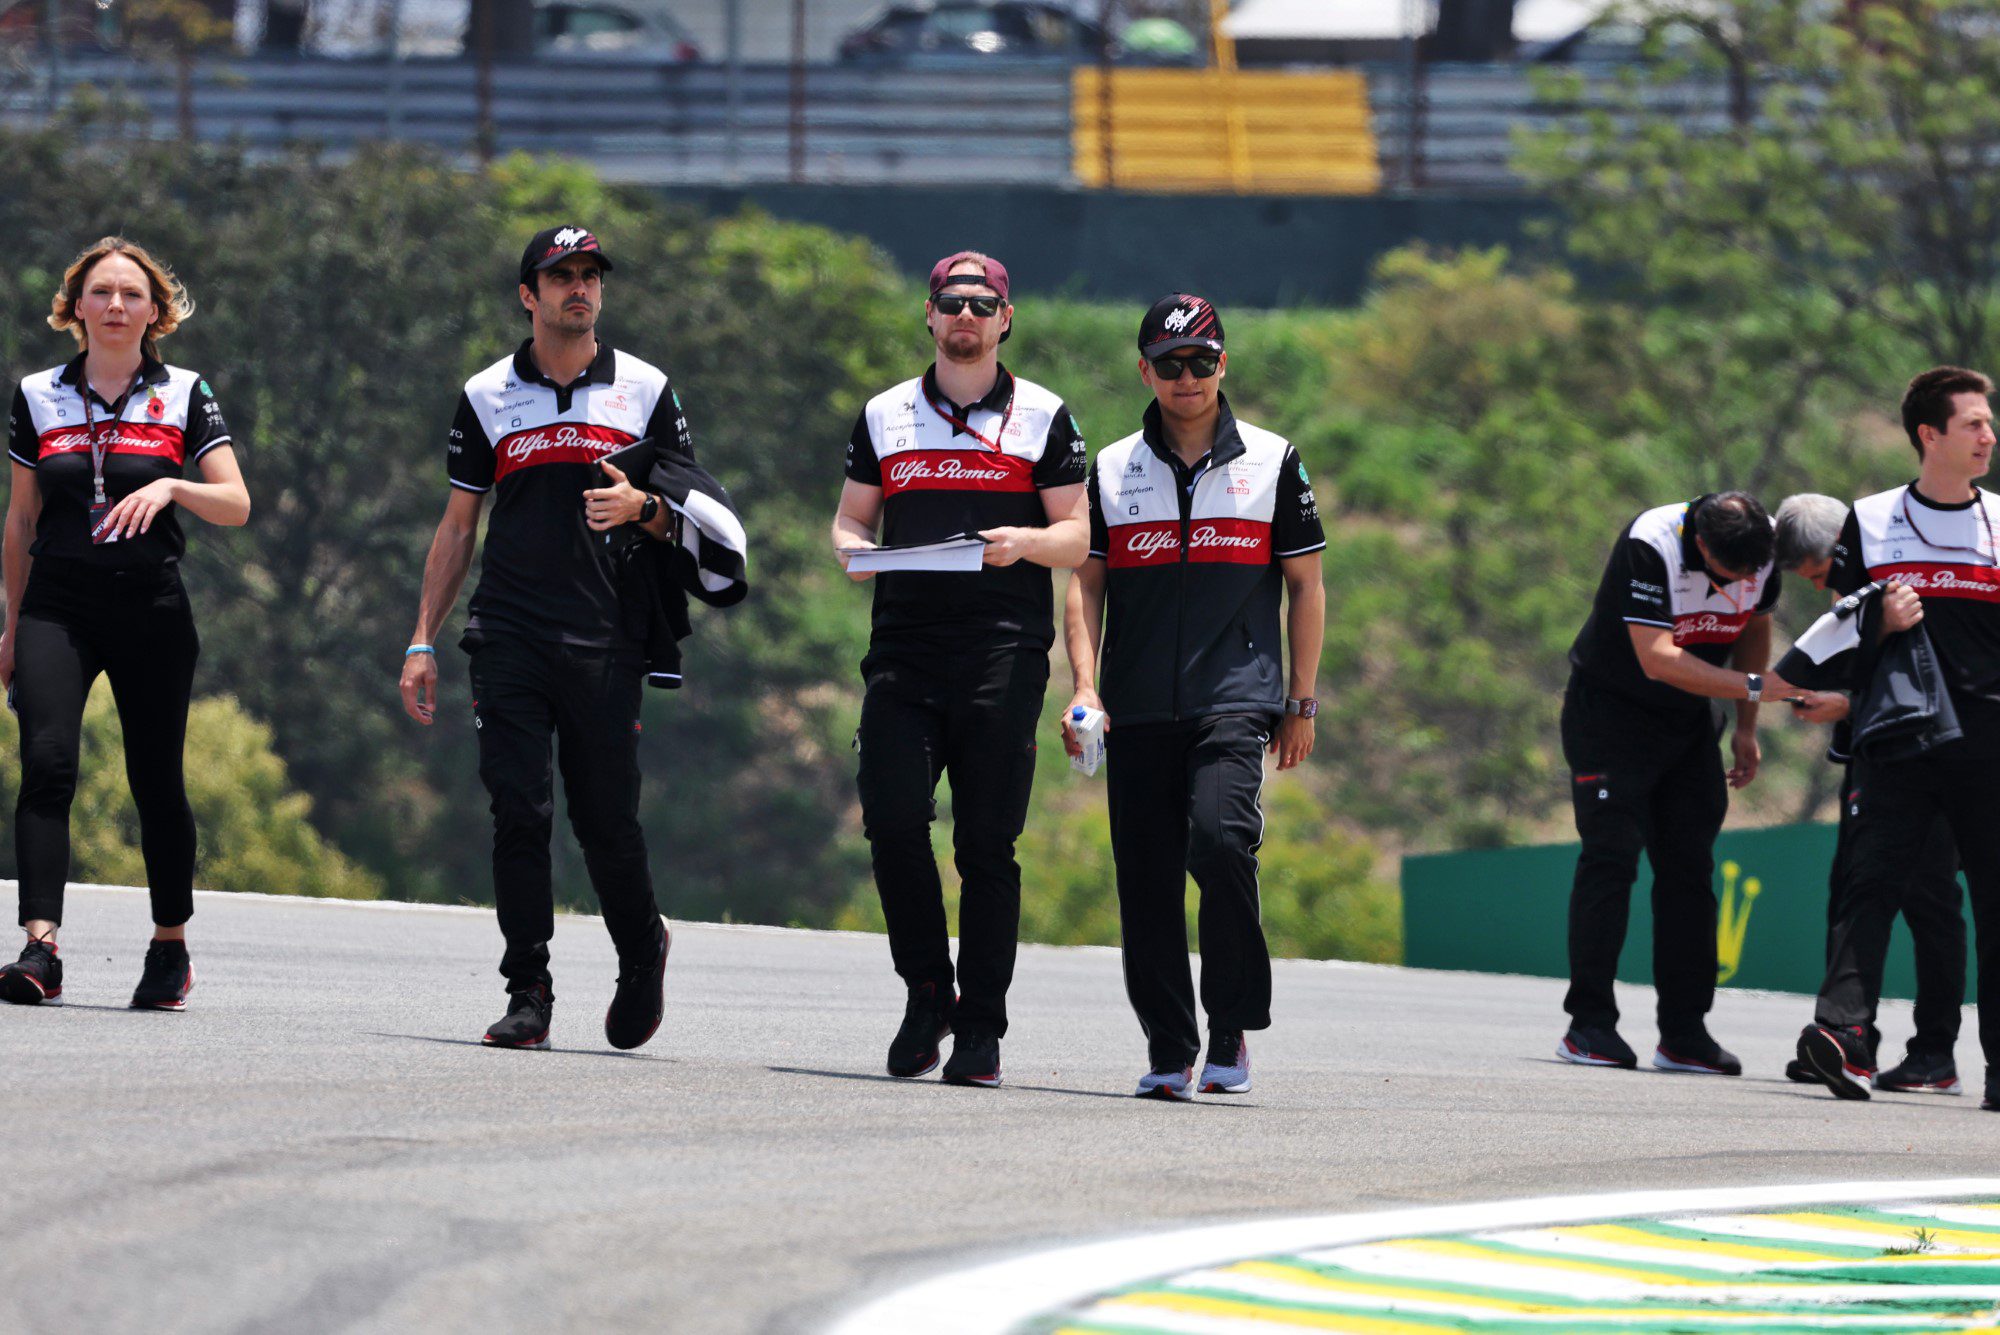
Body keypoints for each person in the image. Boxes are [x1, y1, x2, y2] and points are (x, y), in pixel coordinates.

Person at [399, 225, 686, 1053]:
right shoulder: (487, 393)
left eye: (590, 275)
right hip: (509, 633)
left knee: (605, 822)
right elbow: (459, 527)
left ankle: (642, 949)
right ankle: (528, 989)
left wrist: (644, 508)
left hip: (608, 638)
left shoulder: (647, 389)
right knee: (519, 811)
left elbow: (692, 515)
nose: (579, 288)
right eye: (562, 276)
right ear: (529, 295)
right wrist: (421, 638)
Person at [832, 251, 1088, 1087]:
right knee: (892, 820)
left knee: (985, 843)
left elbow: (1077, 538)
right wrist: (853, 553)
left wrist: (1024, 543)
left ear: (1005, 318)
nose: (966, 317)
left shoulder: (1044, 415)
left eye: (982, 304)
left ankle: (980, 1027)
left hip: (1001, 651)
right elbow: (850, 520)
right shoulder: (885, 413)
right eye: (951, 302)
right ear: (930, 314)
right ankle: (926, 994)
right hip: (903, 649)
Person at [1062, 293, 1326, 1100]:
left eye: (1202, 361)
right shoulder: (1111, 468)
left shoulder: (1274, 460)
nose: (1188, 377)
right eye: (1170, 364)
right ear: (1145, 371)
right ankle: (1169, 1047)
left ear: (1223, 363)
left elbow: (1307, 586)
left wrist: (1302, 702)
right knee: (1145, 883)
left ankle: (1231, 1025)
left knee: (1220, 843)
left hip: (1236, 699)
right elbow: (1084, 585)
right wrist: (1084, 687)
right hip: (1137, 704)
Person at [0, 237, 251, 1009]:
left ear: (155, 311)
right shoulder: (38, 393)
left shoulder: (185, 393)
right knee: (47, 764)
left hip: (151, 607)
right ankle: (41, 946)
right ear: (76, 307)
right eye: (101, 292)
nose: (115, 305)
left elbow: (236, 504)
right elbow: (20, 520)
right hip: (57, 604)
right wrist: (10, 627)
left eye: (131, 293)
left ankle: (170, 944)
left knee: (155, 779)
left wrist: (174, 487)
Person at [1794, 367, 2000, 1109]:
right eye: (1973, 423)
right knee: (1868, 887)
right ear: (1929, 435)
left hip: (1988, 747)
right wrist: (1878, 623)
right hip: (1897, 743)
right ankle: (1844, 1038)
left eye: (1988, 422)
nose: (1988, 436)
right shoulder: (1870, 520)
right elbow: (1845, 635)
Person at [1556, 490, 1794, 1075]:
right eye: (1729, 571)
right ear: (1702, 545)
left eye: (1751, 572)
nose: (1741, 581)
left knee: (1690, 870)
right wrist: (1756, 688)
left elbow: (1754, 629)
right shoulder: (1651, 542)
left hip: (1689, 721)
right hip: (1611, 715)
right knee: (1611, 859)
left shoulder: (1762, 545)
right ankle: (1589, 1025)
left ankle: (1685, 1034)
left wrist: (1746, 726)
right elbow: (1659, 658)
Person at [1774, 493, 1966, 1096]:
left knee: (1930, 903)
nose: (1819, 587)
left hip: (1934, 762)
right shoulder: (1857, 604)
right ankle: (1845, 1041)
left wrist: (1846, 703)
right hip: (1873, 763)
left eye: (1820, 573)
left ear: (1846, 548)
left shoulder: (1912, 587)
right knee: (1853, 892)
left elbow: (1936, 685)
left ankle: (1933, 1053)